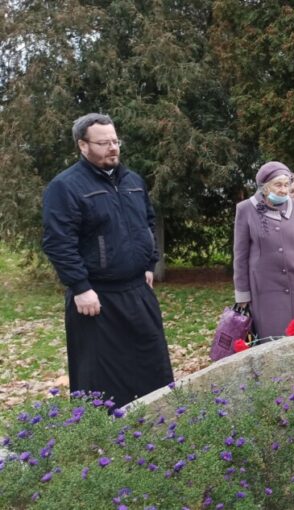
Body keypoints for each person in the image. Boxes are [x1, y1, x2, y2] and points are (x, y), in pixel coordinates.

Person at [42, 113, 173, 408]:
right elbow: (58, 242)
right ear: (83, 145)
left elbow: (146, 222)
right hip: (95, 298)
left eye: (115, 141)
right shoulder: (65, 187)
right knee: (100, 381)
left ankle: (160, 433)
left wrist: (149, 264)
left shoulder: (132, 180)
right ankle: (105, 443)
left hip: (138, 291)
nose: (113, 147)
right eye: (103, 143)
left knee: (153, 368)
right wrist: (80, 287)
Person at [233, 162, 294, 338]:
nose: (284, 190)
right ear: (264, 187)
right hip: (266, 293)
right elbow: (240, 257)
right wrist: (242, 294)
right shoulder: (246, 209)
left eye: (286, 185)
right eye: (278, 185)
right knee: (272, 344)